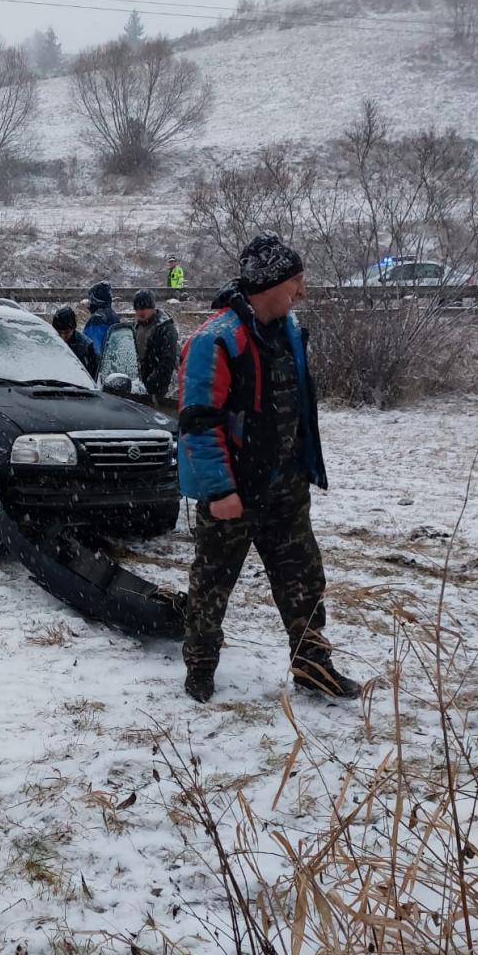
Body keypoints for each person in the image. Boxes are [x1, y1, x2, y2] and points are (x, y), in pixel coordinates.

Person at [177, 232, 360, 705]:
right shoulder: (214, 340)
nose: (301, 291)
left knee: (305, 582)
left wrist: (303, 468)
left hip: (286, 489)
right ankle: (199, 670)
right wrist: (219, 490)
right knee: (212, 584)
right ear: (269, 284)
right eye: (296, 281)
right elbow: (198, 422)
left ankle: (314, 670)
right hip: (234, 493)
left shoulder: (292, 331)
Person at [132, 289, 179, 406]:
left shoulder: (165, 329)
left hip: (158, 388)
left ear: (152, 308)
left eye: (144, 308)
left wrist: (151, 384)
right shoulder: (136, 327)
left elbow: (168, 361)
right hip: (139, 385)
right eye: (137, 309)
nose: (140, 312)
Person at [52, 305, 98, 379]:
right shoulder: (50, 342)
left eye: (66, 332)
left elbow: (92, 376)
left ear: (74, 329)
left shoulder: (86, 346)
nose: (62, 336)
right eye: (59, 332)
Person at [82, 281, 119, 357]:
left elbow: (94, 350)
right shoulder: (114, 316)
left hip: (100, 366)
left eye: (91, 300)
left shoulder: (96, 319)